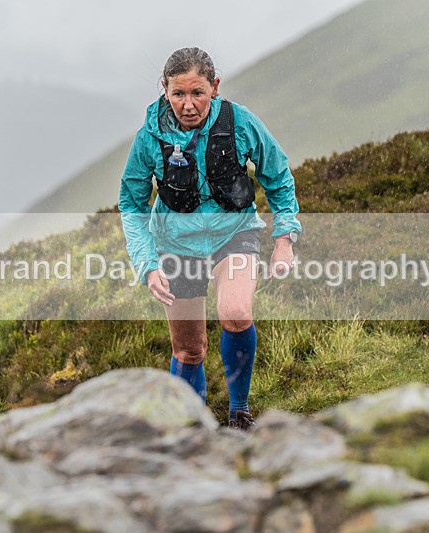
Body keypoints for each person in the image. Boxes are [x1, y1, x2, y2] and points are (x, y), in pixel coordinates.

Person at [119, 47, 301, 430]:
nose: (188, 104)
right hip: (174, 245)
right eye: (178, 94)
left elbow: (279, 177)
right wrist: (148, 265)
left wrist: (284, 238)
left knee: (235, 313)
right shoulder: (149, 138)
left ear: (214, 87)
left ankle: (239, 414)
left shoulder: (241, 123)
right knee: (189, 348)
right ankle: (191, 429)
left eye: (197, 92)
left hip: (234, 234)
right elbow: (131, 203)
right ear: (164, 92)